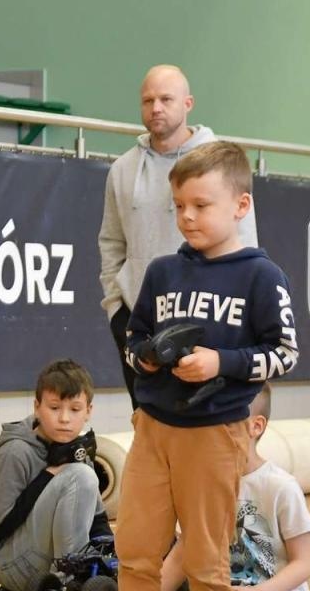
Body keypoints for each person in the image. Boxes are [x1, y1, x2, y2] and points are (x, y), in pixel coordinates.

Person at [77, 141, 299, 591]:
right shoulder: (162, 271)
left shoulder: (262, 275)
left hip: (215, 433)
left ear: (241, 205)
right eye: (179, 206)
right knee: (137, 550)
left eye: (201, 205)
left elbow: (285, 353)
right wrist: (147, 358)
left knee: (205, 554)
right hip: (154, 429)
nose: (188, 217)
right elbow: (133, 338)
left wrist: (221, 362)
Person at [99, 65, 258, 407]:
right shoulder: (122, 169)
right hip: (141, 323)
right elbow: (111, 242)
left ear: (188, 103)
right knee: (145, 420)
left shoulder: (220, 162)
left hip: (210, 323)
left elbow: (245, 241)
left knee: (208, 423)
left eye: (166, 99)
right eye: (148, 100)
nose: (156, 108)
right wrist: (117, 310)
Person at [149, 386, 310, 591]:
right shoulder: (203, 483)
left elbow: (304, 562)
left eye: (225, 421)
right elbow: (183, 553)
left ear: (255, 426)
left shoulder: (280, 487)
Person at [0, 359, 110, 591]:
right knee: (80, 475)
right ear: (37, 407)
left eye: (75, 409)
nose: (64, 418)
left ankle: (75, 576)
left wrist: (111, 557)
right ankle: (70, 581)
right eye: (54, 408)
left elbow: (98, 521)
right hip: (10, 563)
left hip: (42, 562)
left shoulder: (76, 450)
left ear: (88, 411)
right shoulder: (15, 452)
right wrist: (48, 475)